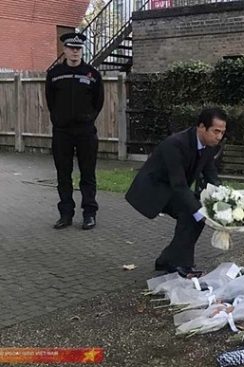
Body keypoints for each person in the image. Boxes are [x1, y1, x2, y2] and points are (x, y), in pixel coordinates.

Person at [125, 108, 227, 278]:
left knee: (197, 212)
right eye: (216, 131)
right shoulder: (175, 144)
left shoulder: (209, 146)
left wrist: (225, 201)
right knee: (191, 213)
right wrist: (201, 213)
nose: (219, 137)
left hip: (175, 188)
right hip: (155, 189)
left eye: (222, 132)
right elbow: (179, 184)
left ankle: (167, 260)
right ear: (202, 127)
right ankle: (181, 264)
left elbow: (211, 175)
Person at [45, 32, 104, 230]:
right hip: (62, 132)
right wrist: (59, 119)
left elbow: (98, 102)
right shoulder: (54, 74)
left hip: (85, 132)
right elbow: (51, 102)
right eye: (71, 48)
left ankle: (89, 214)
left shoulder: (92, 74)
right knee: (63, 174)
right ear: (65, 50)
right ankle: (65, 215)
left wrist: (88, 118)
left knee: (88, 174)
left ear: (81, 50)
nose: (75, 52)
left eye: (78, 48)